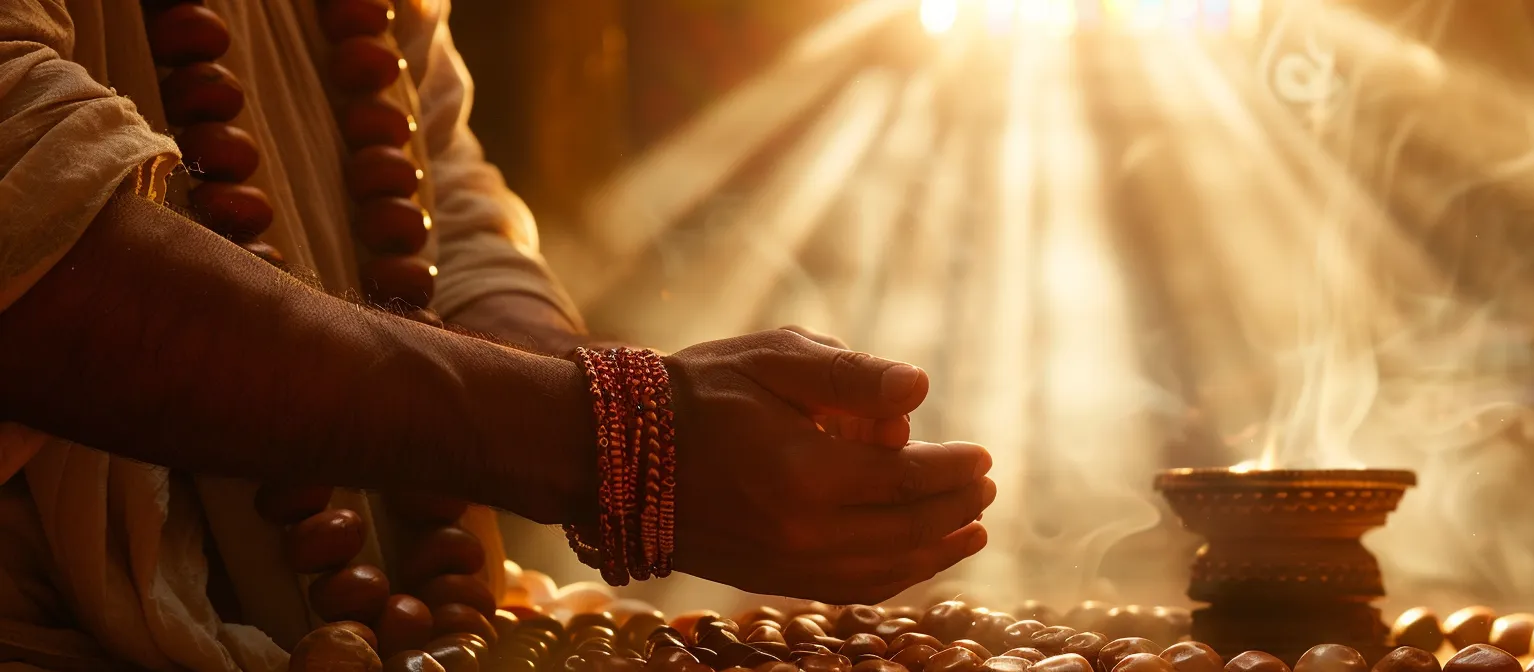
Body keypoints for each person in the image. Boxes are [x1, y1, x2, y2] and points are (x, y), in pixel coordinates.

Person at [0, 1, 995, 669]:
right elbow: (32, 228)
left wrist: (623, 404)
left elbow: (441, 194)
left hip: (419, 628)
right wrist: (603, 436)